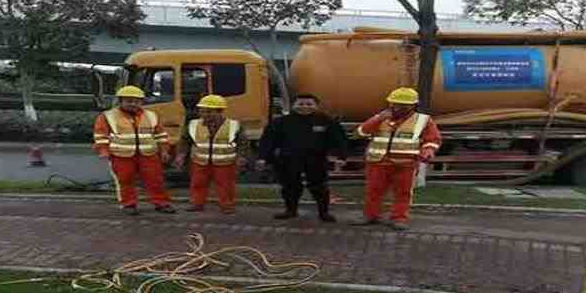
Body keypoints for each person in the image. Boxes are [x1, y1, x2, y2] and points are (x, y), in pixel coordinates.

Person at [352, 87, 442, 230]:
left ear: (413, 105)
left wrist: (428, 150)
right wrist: (377, 119)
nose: (398, 107)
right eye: (395, 103)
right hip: (377, 162)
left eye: (403, 105)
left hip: (406, 164)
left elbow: (433, 139)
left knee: (403, 193)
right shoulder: (380, 117)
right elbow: (359, 133)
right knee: (373, 190)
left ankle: (399, 218)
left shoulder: (423, 120)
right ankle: (370, 215)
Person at [256, 94, 347, 222]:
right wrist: (262, 157)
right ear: (294, 105)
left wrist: (341, 157)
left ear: (316, 106)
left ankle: (324, 213)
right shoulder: (281, 122)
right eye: (301, 104)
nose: (305, 107)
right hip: (288, 160)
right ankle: (290, 211)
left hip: (316, 160)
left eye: (309, 104)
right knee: (290, 187)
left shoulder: (326, 121)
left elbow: (339, 140)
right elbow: (268, 141)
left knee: (319, 187)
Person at [93, 85, 176, 215]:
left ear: (141, 102)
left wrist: (164, 151)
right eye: (129, 101)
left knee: (155, 179)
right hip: (121, 155)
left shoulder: (151, 115)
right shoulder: (107, 116)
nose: (133, 104)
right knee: (125, 180)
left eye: (137, 101)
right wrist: (103, 151)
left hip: (149, 154)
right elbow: (101, 136)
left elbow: (160, 135)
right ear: (120, 101)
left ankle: (162, 203)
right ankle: (128, 204)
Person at [174, 95, 248, 214]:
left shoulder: (233, 125)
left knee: (225, 185)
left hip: (225, 162)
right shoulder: (193, 124)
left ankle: (227, 205)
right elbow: (185, 141)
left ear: (220, 112)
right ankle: (197, 203)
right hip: (200, 161)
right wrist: (181, 155)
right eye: (202, 111)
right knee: (197, 183)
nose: (204, 114)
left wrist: (241, 156)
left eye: (208, 111)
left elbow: (242, 142)